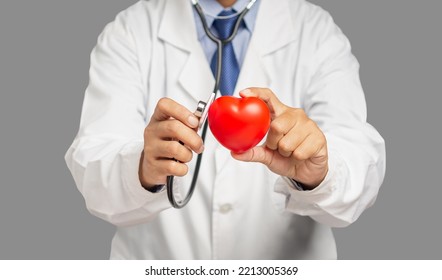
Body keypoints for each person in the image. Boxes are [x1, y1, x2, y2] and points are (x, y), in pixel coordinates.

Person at [65, 0, 385, 259]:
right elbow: (92, 171)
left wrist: (319, 173)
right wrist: (142, 168)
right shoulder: (130, 30)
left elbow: (361, 170)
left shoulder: (316, 31)